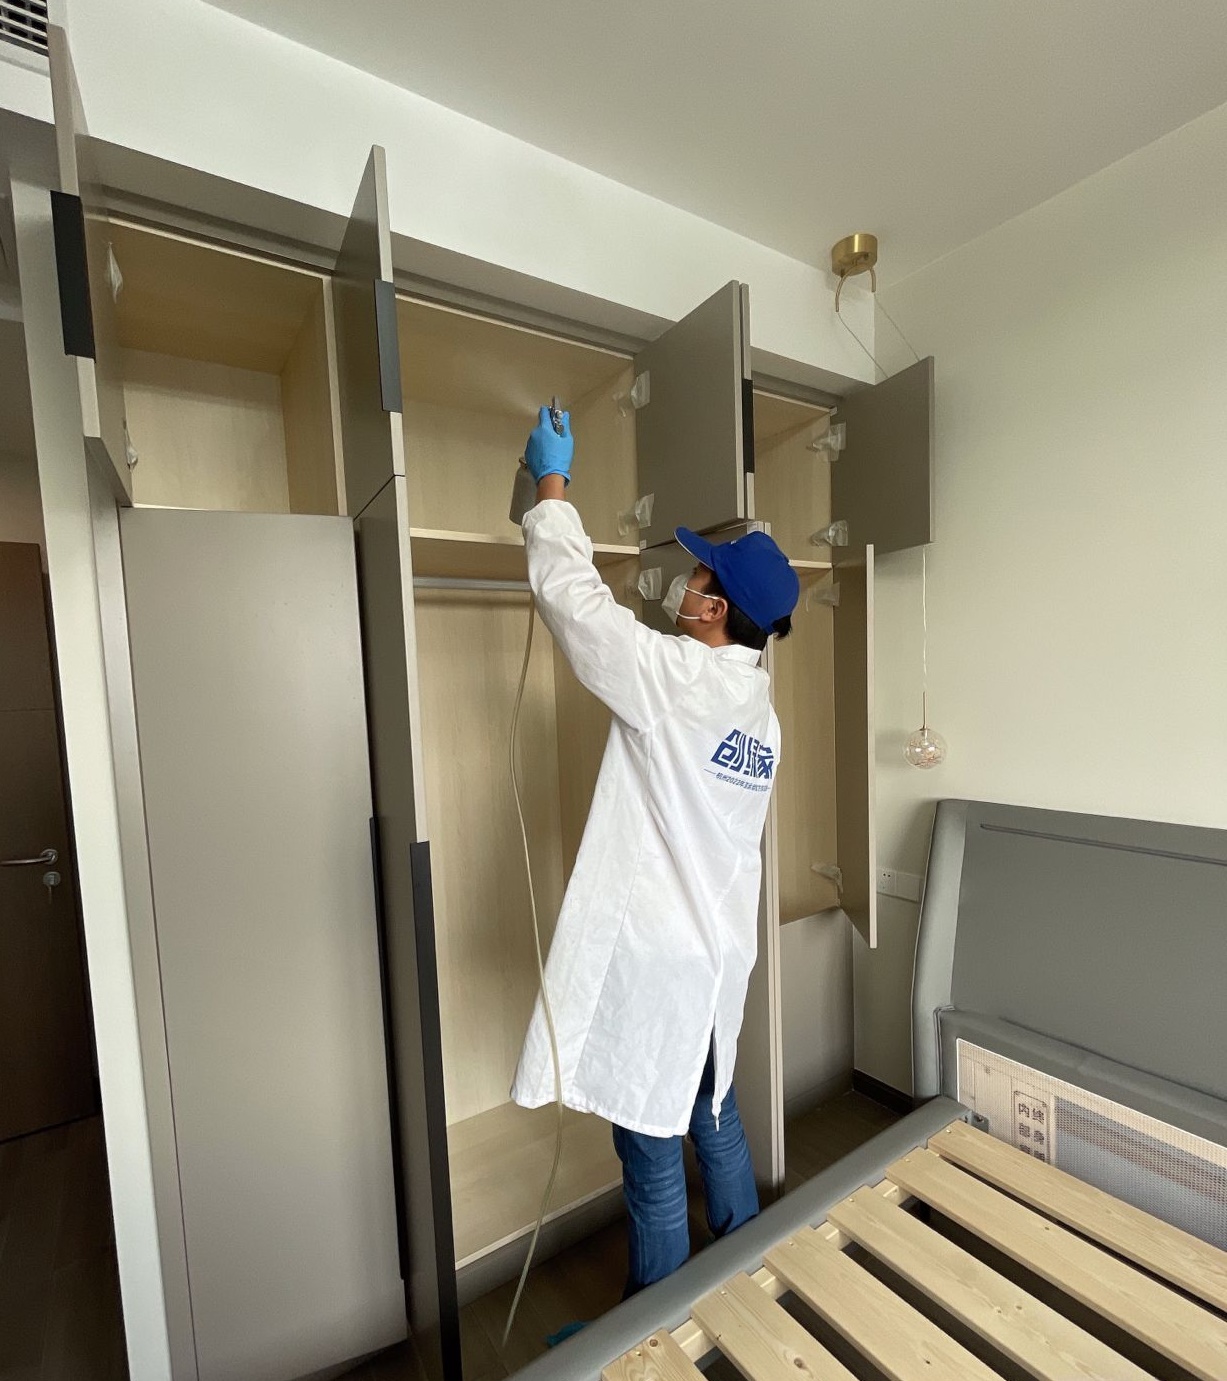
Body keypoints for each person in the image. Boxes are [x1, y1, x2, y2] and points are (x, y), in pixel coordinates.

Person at [511, 405, 799, 1297]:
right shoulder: (758, 710)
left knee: (650, 1148)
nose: (685, 578)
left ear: (714, 609)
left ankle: (656, 1334)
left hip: (660, 963)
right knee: (713, 1112)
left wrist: (550, 486)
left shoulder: (676, 679)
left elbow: (576, 605)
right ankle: (746, 1283)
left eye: (699, 573)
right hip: (714, 960)